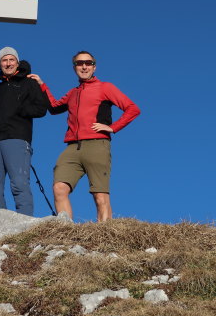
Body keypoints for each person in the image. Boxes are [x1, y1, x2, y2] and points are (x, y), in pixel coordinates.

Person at [28, 51, 140, 222]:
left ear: (94, 67)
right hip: (73, 147)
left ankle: (104, 237)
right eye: (79, 63)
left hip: (97, 145)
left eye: (88, 63)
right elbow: (54, 107)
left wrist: (112, 127)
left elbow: (132, 108)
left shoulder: (105, 87)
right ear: (75, 68)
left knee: (100, 196)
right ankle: (66, 232)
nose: (84, 66)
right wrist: (42, 85)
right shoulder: (73, 93)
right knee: (59, 188)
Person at [0, 47, 49, 216]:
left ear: (17, 63)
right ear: (0, 64)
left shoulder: (28, 83)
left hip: (17, 138)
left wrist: (19, 110)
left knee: (19, 184)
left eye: (11, 60)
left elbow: (41, 109)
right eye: (4, 60)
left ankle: (24, 228)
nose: (8, 63)